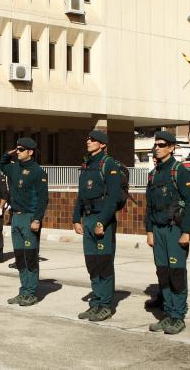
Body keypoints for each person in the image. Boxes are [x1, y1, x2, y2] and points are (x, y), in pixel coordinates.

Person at [145, 130, 190, 335]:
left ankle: (178, 316)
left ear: (172, 147)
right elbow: (149, 206)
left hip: (175, 229)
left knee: (176, 273)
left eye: (161, 145)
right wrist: (149, 231)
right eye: (156, 145)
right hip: (158, 230)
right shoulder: (154, 173)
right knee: (163, 273)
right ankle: (168, 313)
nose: (157, 148)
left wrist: (186, 231)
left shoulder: (180, 171)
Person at [74, 130, 124, 322]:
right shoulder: (87, 164)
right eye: (88, 138)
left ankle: (105, 304)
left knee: (103, 263)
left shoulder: (108, 164)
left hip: (102, 220)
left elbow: (112, 198)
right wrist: (75, 219)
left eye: (93, 139)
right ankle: (95, 302)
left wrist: (102, 221)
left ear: (102, 144)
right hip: (87, 219)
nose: (88, 141)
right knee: (92, 263)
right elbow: (81, 195)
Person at [0, 137, 49, 307]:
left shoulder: (38, 172)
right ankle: (23, 290)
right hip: (16, 217)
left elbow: (43, 199)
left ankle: (31, 292)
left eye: (21, 150)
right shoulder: (14, 168)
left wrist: (37, 219)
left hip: (30, 217)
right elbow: (2, 164)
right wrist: (9, 153)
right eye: (17, 149)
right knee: (20, 257)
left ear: (30, 152)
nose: (18, 152)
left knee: (30, 256)